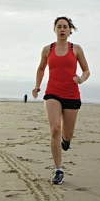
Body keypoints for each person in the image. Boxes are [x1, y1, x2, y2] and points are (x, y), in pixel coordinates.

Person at [32, 16, 90, 185]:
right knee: (55, 128)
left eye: (65, 26)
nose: (62, 29)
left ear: (69, 30)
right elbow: (41, 68)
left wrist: (82, 79)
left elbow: (86, 70)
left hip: (72, 94)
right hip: (53, 93)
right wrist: (37, 86)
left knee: (67, 134)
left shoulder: (76, 49)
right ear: (55, 29)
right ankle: (59, 170)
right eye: (59, 27)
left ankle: (66, 140)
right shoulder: (47, 49)